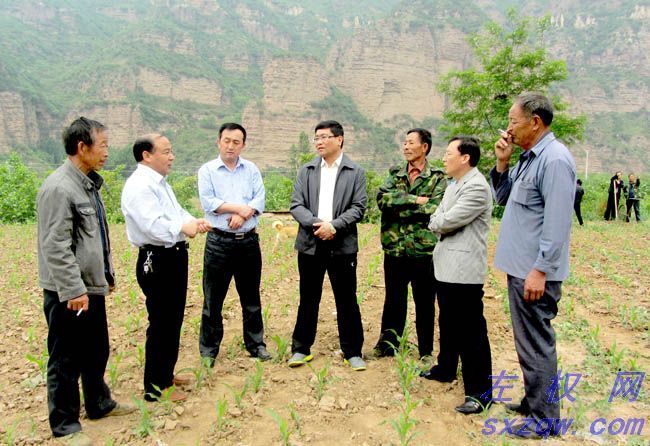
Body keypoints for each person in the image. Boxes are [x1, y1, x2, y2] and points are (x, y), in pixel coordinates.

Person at [37, 117, 135, 446]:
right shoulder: (59, 187)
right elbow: (55, 245)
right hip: (69, 293)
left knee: (96, 349)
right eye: (103, 145)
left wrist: (103, 276)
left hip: (89, 288)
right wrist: (74, 289)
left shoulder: (87, 183)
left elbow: (93, 239)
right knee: (66, 358)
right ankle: (64, 425)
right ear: (83, 147)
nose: (107, 151)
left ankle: (98, 403)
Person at [490, 92, 576, 438]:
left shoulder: (554, 160)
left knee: (537, 344)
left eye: (513, 121)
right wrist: (502, 163)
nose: (508, 128)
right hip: (521, 267)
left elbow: (557, 225)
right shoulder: (529, 157)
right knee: (527, 342)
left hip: (533, 272)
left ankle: (545, 420)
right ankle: (534, 400)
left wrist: (540, 269)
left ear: (535, 121)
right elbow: (502, 199)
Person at [121, 134, 211, 402]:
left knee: (173, 320)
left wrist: (192, 221)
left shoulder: (160, 184)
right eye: (166, 152)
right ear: (147, 155)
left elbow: (177, 212)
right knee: (161, 322)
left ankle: (166, 375)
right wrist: (182, 227)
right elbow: (152, 224)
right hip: (157, 259)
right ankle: (155, 388)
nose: (171, 157)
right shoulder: (139, 186)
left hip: (173, 256)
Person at [420, 136, 493, 415]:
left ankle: (480, 393)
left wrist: (438, 222)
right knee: (448, 322)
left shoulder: (476, 186)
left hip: (464, 271)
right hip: (446, 266)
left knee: (471, 332)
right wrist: (438, 221)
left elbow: (446, 221)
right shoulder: (455, 185)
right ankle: (445, 368)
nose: (444, 157)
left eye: (449, 153)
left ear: (465, 158)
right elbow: (439, 216)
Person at [288, 120, 368, 371]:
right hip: (311, 243)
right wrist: (317, 225)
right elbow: (296, 205)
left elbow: (359, 207)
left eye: (324, 137)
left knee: (346, 299)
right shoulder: (307, 170)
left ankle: (353, 351)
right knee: (308, 298)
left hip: (341, 244)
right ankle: (301, 349)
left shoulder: (355, 172)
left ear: (339, 139)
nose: (319, 142)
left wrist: (334, 226)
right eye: (316, 138)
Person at [198, 123, 271, 366]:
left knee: (251, 298)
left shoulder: (251, 169)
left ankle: (255, 344)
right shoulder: (207, 170)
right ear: (218, 142)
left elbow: (259, 197)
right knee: (213, 300)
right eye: (227, 141)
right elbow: (209, 202)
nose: (231, 146)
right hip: (219, 242)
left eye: (236, 142)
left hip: (248, 242)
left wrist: (244, 214)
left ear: (243, 145)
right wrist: (239, 207)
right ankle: (209, 350)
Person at [371, 128, 446, 359]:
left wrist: (400, 207)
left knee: (424, 302)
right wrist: (414, 200)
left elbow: (435, 208)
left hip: (424, 251)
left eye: (410, 142)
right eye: (404, 142)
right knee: (393, 299)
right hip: (395, 249)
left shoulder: (438, 178)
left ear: (424, 147)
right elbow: (382, 200)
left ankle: (425, 350)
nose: (405, 146)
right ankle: (387, 345)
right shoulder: (395, 174)